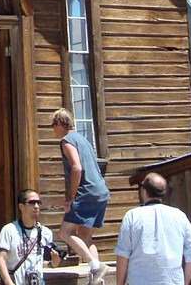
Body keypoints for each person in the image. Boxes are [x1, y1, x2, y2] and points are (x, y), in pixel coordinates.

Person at [52, 107, 111, 285]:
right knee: (85, 237)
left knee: (65, 232)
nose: (53, 129)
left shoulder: (67, 141)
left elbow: (77, 168)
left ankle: (95, 265)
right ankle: (97, 277)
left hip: (86, 192)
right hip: (100, 191)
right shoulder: (83, 140)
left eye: (53, 125)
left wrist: (70, 197)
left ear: (61, 123)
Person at [114, 173, 191, 285]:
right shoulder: (179, 216)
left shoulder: (132, 216)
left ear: (144, 191)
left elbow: (123, 254)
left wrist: (119, 283)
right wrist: (185, 281)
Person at [0, 189, 62, 285]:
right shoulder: (9, 230)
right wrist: (8, 282)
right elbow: (1, 259)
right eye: (32, 203)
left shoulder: (46, 232)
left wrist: (53, 263)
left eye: (38, 203)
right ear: (21, 206)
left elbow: (40, 262)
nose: (36, 206)